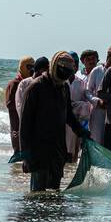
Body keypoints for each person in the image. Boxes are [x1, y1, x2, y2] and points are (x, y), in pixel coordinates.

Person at [18, 53, 87, 192]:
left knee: (55, 196)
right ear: (54, 66)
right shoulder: (35, 88)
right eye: (63, 71)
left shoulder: (64, 88)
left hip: (57, 151)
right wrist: (25, 155)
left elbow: (68, 115)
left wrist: (81, 132)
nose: (65, 76)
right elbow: (24, 125)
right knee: (37, 196)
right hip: (38, 152)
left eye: (69, 72)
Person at [5, 56, 35, 163]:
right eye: (29, 66)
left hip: (28, 125)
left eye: (33, 66)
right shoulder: (14, 83)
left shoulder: (31, 82)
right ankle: (15, 175)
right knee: (19, 152)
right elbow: (9, 104)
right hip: (17, 125)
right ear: (22, 67)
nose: (31, 69)